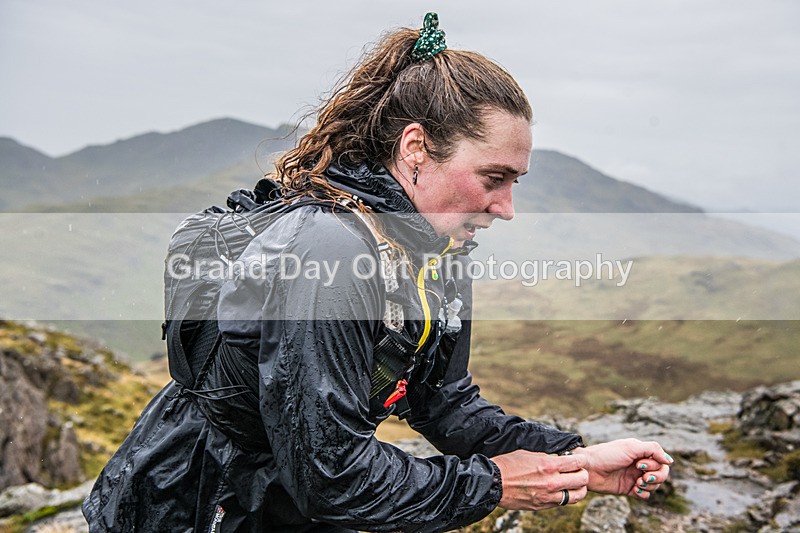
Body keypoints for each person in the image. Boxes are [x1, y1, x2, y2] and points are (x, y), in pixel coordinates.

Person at [83, 13, 672, 532]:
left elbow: (444, 403)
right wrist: (492, 484)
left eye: (515, 182)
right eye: (494, 178)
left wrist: (575, 459)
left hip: (288, 508)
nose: (506, 207)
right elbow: (329, 473)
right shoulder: (327, 255)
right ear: (416, 148)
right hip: (199, 506)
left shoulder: (433, 254)